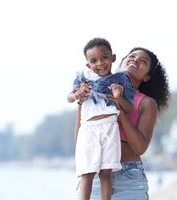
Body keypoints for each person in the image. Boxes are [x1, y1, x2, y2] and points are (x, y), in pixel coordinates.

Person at [75, 47, 170, 199]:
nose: (135, 60)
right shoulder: (93, 91)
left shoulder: (146, 103)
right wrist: (81, 101)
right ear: (120, 62)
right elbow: (80, 139)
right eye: (131, 56)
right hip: (96, 176)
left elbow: (139, 147)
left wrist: (120, 108)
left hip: (129, 177)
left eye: (143, 61)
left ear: (146, 77)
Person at [68, 38, 135, 200]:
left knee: (106, 171)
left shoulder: (121, 79)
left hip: (110, 127)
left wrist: (119, 97)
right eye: (93, 61)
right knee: (87, 171)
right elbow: (70, 97)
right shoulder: (83, 76)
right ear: (88, 65)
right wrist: (77, 94)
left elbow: (129, 108)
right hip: (89, 128)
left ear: (113, 57)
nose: (100, 63)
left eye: (104, 57)